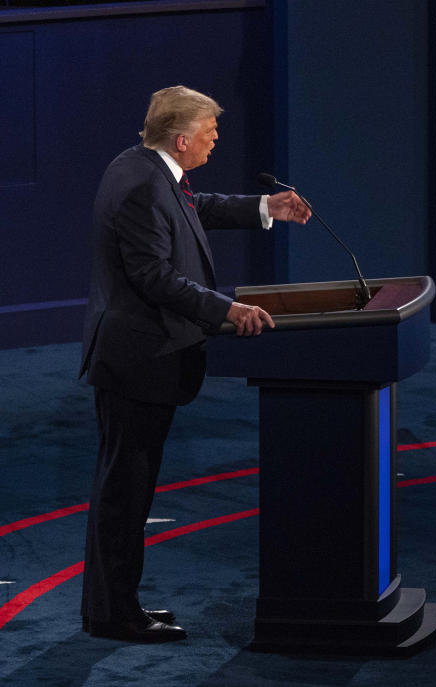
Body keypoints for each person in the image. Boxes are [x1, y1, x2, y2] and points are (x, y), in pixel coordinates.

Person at [79, 85, 311, 642]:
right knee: (124, 493)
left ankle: (115, 605)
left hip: (140, 355)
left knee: (127, 489)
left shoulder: (143, 166)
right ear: (182, 139)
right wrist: (226, 309)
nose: (215, 139)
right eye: (209, 132)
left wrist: (263, 207)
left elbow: (192, 207)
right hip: (138, 359)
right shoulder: (141, 186)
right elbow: (154, 277)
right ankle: (114, 615)